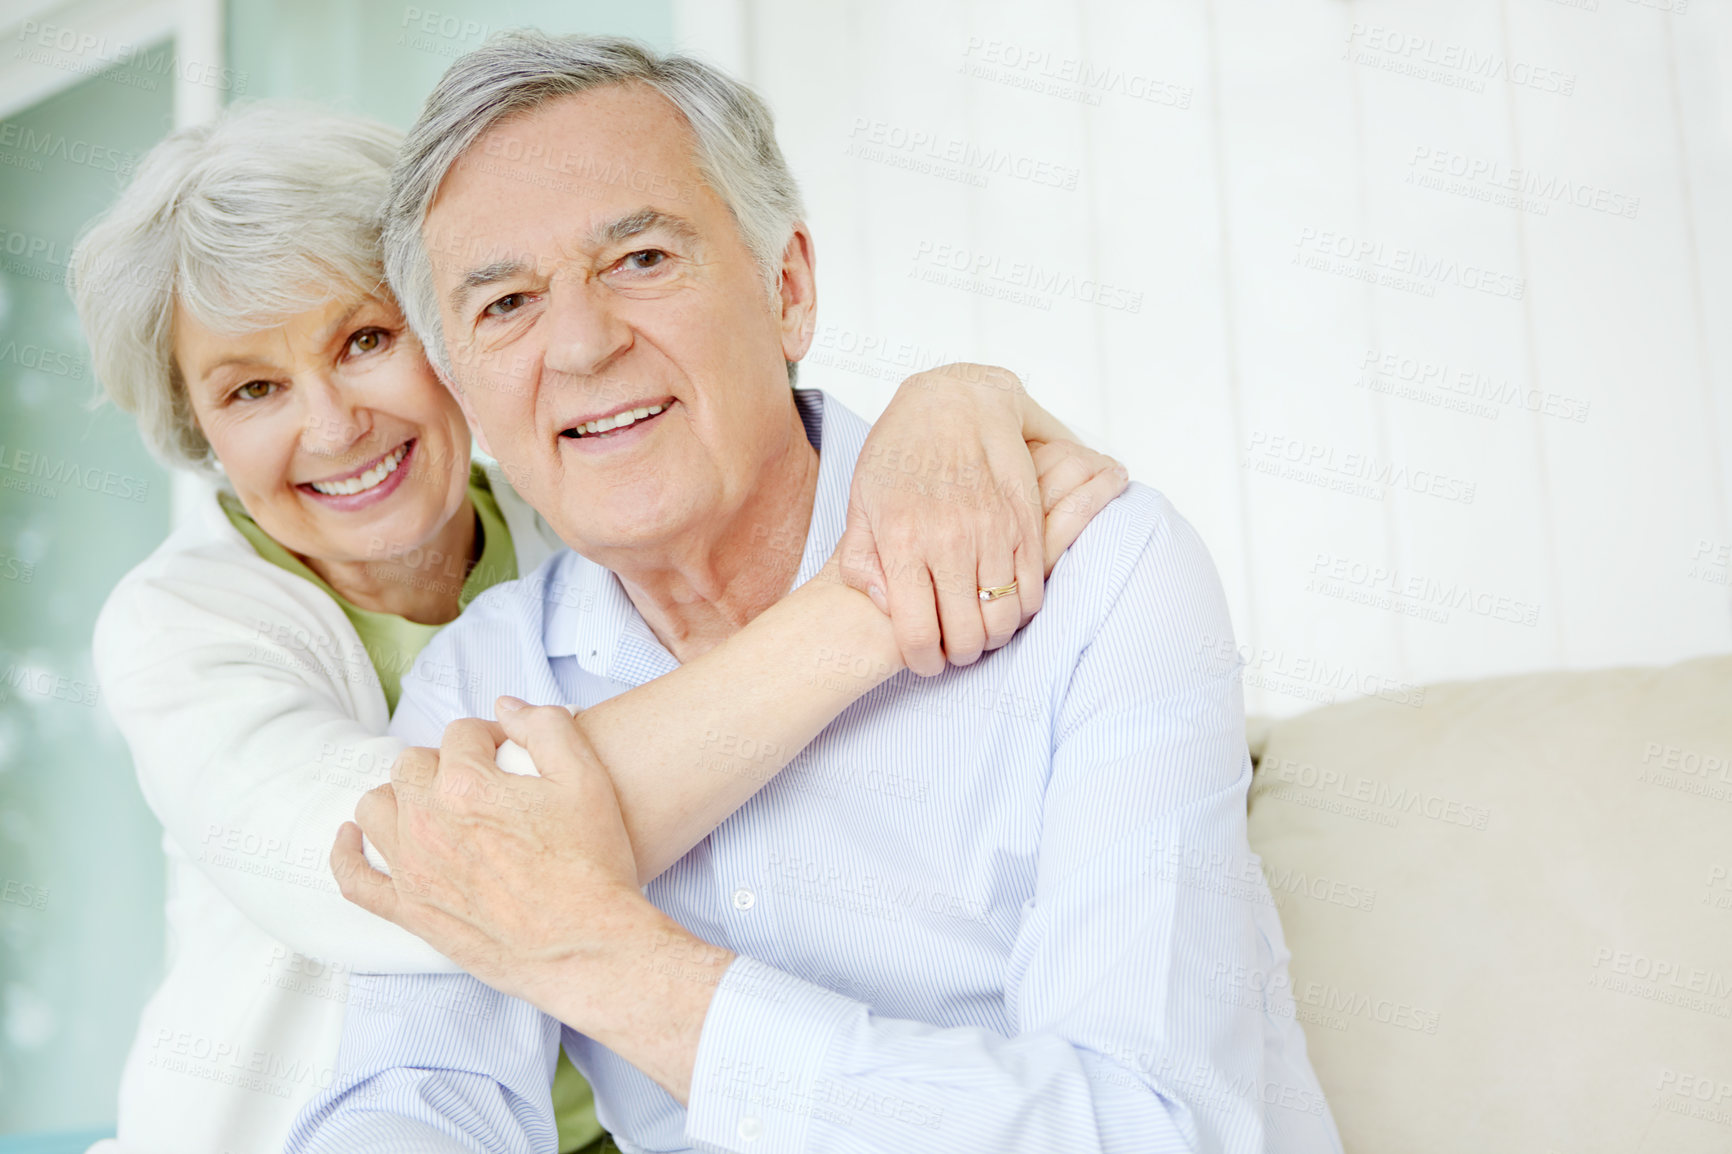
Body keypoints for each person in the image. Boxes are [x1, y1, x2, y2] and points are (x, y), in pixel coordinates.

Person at [288, 33, 1342, 1154]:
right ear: (462, 385)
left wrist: (597, 953)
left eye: (641, 257)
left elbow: (1149, 1128)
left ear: (786, 289)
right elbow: (410, 1101)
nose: (584, 344)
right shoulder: (484, 676)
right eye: (504, 304)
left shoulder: (1093, 567)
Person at [70, 101, 1123, 1154]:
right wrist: (873, 605)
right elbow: (419, 866)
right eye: (252, 388)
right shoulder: (179, 627)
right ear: (194, 426)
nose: (334, 425)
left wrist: (954, 400)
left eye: (367, 340)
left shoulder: (580, 513)